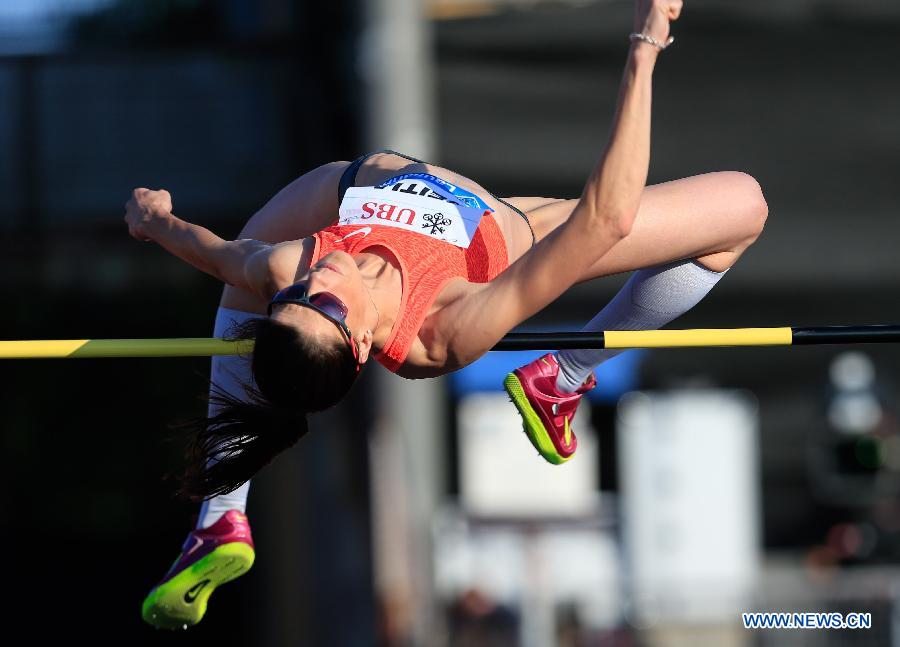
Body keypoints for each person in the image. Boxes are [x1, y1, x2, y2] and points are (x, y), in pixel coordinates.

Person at [127, 0, 767, 629]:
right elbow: (606, 220)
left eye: (292, 304)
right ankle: (566, 373)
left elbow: (218, 255)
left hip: (340, 187)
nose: (315, 280)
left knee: (246, 278)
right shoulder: (443, 330)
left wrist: (157, 223)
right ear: (356, 345)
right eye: (323, 305)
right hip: (525, 230)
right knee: (743, 207)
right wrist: (644, 47)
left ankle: (218, 519)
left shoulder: (289, 268)